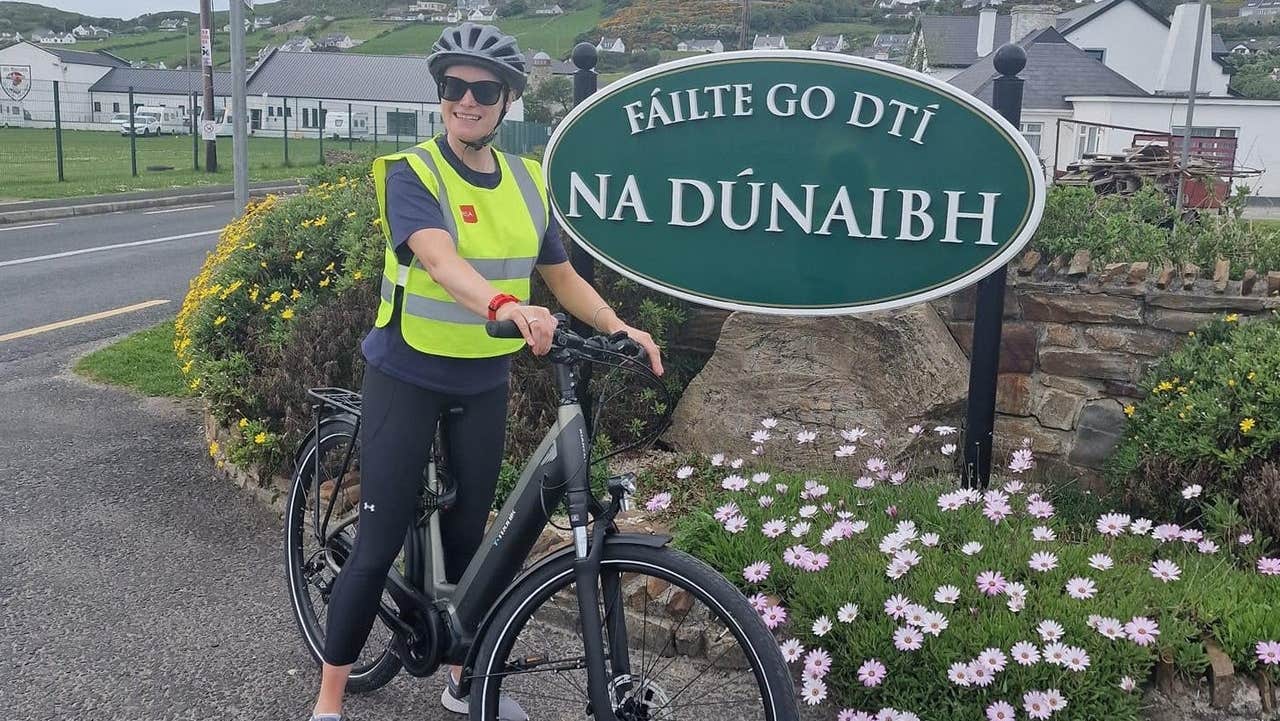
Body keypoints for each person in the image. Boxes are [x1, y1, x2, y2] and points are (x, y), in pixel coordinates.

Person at [307, 22, 664, 721]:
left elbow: (560, 277)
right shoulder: (414, 172)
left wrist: (617, 326)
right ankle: (328, 701)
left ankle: (462, 680)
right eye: (453, 87)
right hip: (406, 371)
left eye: (483, 89)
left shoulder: (530, 183)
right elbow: (440, 259)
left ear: (507, 102)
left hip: (482, 377)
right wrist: (505, 304)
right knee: (377, 543)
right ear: (441, 95)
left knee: (472, 539)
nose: (466, 101)